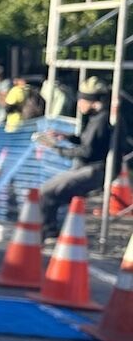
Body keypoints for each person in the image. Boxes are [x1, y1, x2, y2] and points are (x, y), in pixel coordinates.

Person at [38, 78, 116, 238]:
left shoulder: (101, 121)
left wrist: (57, 148)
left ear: (93, 102)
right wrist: (67, 137)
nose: (79, 104)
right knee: (53, 192)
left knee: (47, 191)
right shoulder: (97, 118)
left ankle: (50, 232)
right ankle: (54, 230)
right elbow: (90, 142)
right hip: (90, 168)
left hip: (93, 170)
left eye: (82, 100)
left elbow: (87, 151)